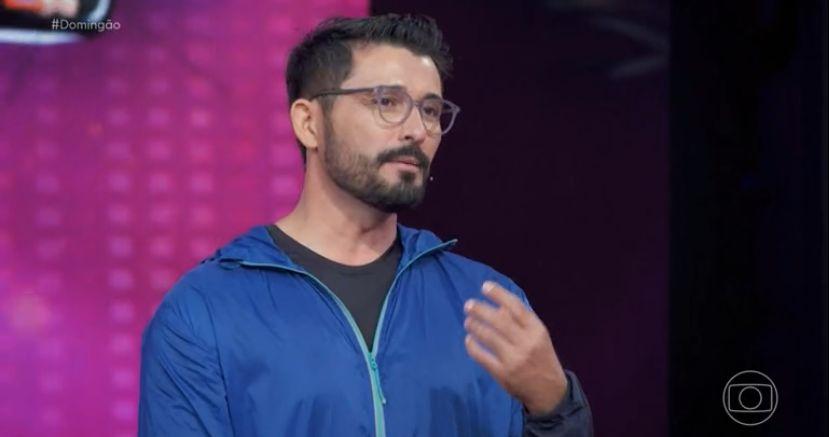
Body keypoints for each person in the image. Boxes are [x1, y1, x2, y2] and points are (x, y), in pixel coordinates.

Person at [138, 13, 593, 437]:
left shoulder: (488, 304)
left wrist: (555, 405)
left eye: (430, 110)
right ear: (309, 123)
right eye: (386, 102)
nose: (417, 130)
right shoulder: (204, 312)